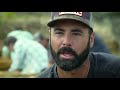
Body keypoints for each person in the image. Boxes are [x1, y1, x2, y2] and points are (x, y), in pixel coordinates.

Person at [37, 12, 120, 78]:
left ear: (91, 39)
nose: (66, 42)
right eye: (59, 33)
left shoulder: (115, 71)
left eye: (76, 34)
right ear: (50, 36)